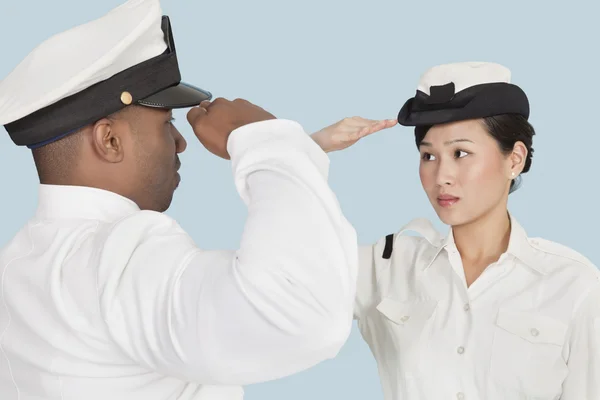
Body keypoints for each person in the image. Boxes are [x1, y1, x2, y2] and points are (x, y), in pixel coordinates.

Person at [0, 1, 364, 399]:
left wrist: (300, 154)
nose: (180, 142)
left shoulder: (18, 266)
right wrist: (264, 140)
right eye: (165, 123)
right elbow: (303, 314)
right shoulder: (117, 259)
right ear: (109, 140)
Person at [311, 61, 600, 399]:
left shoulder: (573, 284)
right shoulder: (387, 267)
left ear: (515, 159)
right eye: (428, 156)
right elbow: (280, 273)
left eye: (460, 153)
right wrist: (310, 149)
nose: (441, 176)